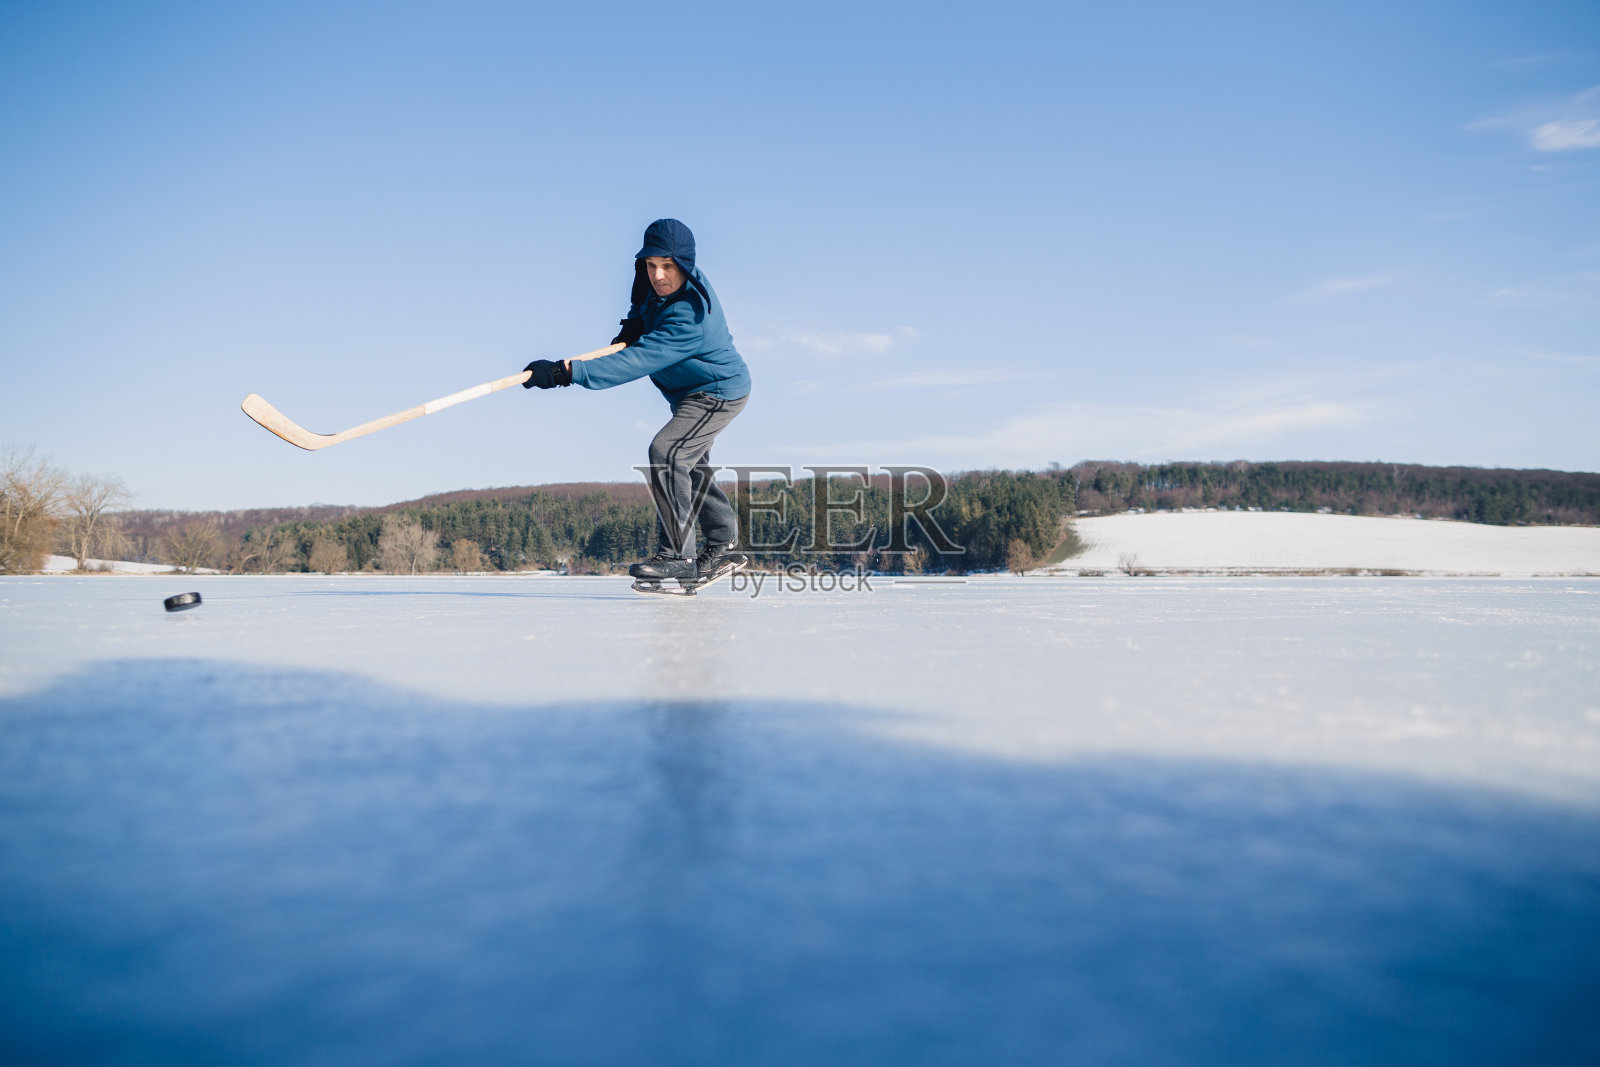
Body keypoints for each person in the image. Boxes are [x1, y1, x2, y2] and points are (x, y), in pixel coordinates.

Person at [523, 219, 751, 584]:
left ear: (686, 266)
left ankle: (679, 555)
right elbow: (641, 313)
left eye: (668, 266)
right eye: (651, 264)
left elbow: (636, 360)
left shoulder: (689, 316)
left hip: (718, 391)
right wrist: (632, 324)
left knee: (667, 453)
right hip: (688, 393)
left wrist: (567, 372)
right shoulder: (650, 283)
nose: (658, 275)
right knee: (688, 467)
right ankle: (723, 543)